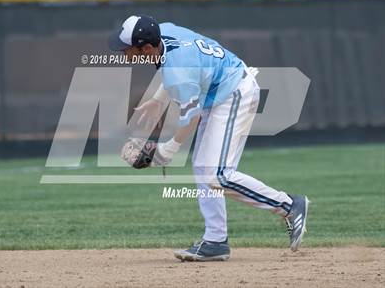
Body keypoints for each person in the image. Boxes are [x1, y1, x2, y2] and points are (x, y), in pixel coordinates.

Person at [108, 15, 309, 262]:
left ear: (146, 47)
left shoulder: (177, 73)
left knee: (218, 175)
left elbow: (190, 118)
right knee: (205, 169)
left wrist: (166, 151)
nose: (123, 53)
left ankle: (290, 205)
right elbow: (170, 64)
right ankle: (215, 241)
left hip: (235, 93)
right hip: (218, 92)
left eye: (127, 48)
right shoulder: (165, 32)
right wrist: (159, 100)